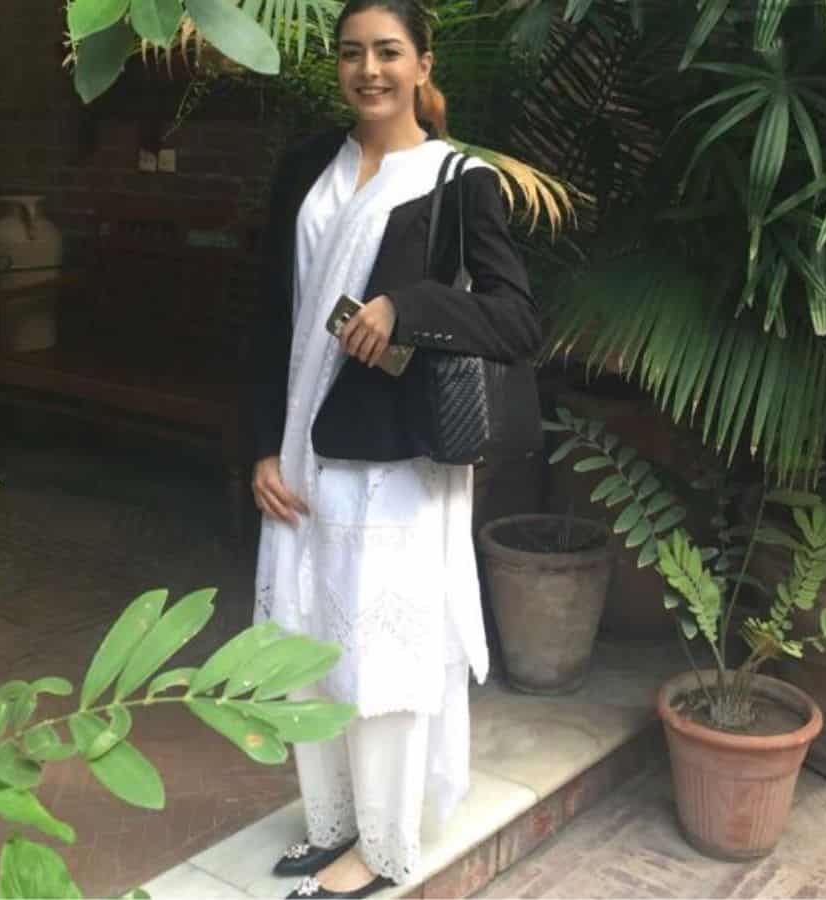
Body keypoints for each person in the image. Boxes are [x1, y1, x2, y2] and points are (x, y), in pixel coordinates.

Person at [250, 0, 541, 895]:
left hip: (394, 465)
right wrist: (260, 447)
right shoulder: (308, 166)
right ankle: (332, 820)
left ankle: (383, 847)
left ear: (422, 63)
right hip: (301, 449)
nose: (368, 70)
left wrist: (407, 306)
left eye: (387, 52)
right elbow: (266, 314)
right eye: (352, 53)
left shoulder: (460, 180)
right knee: (309, 642)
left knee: (382, 654)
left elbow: (518, 320)